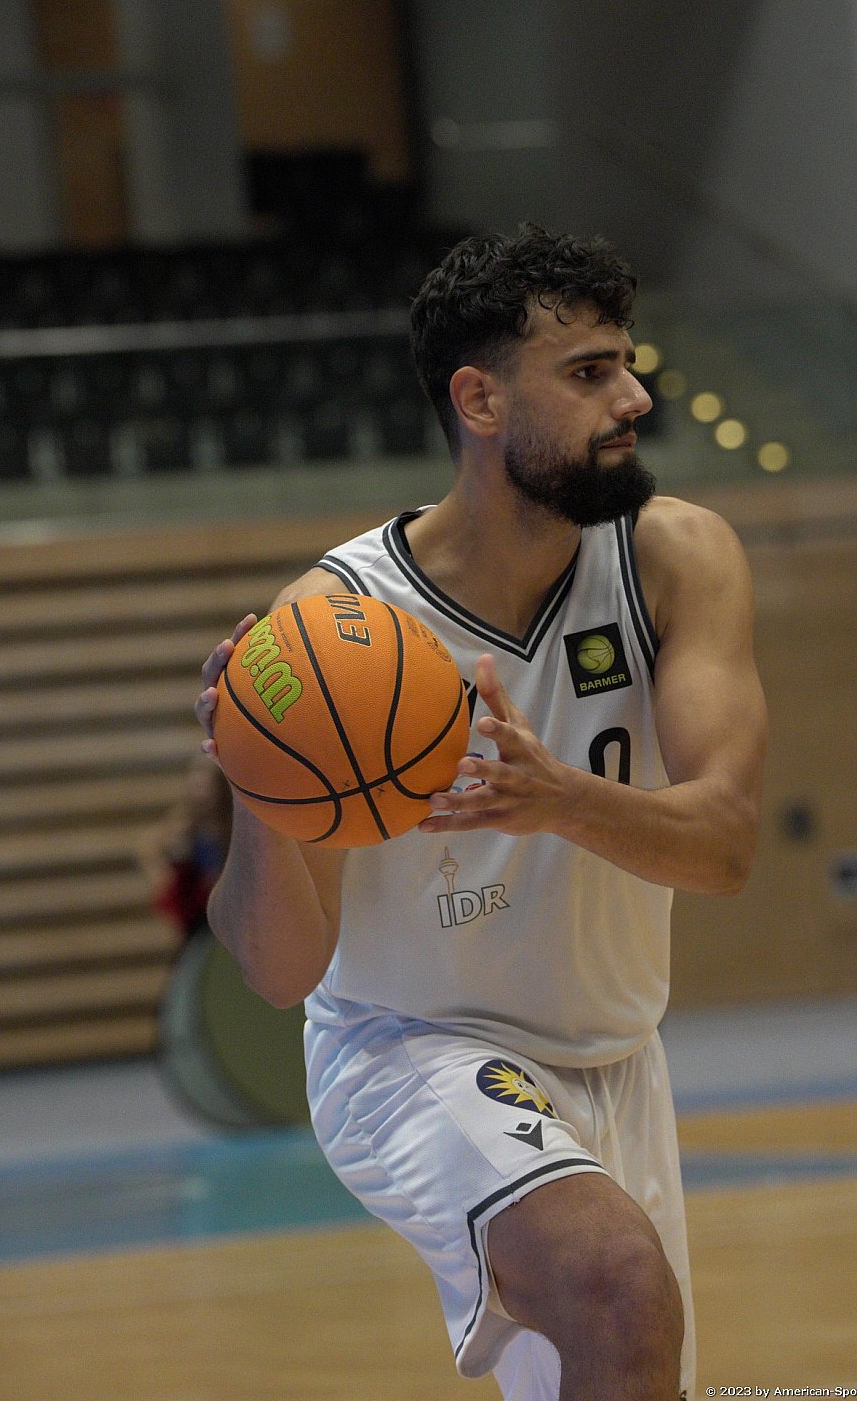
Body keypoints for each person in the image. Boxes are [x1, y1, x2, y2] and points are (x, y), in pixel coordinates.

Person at [197, 225, 767, 1401]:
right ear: (479, 399)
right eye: (589, 371)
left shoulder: (675, 557)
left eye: (626, 362)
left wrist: (556, 796)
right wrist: (256, 782)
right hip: (411, 1046)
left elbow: (724, 847)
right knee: (615, 1280)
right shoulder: (338, 624)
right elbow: (279, 970)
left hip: (616, 1056)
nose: (633, 397)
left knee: (624, 1351)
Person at [137, 753, 232, 940]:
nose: (203, 795)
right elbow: (148, 849)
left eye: (208, 787)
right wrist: (162, 880)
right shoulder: (181, 823)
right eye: (198, 787)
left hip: (223, 905)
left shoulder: (228, 825)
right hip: (195, 910)